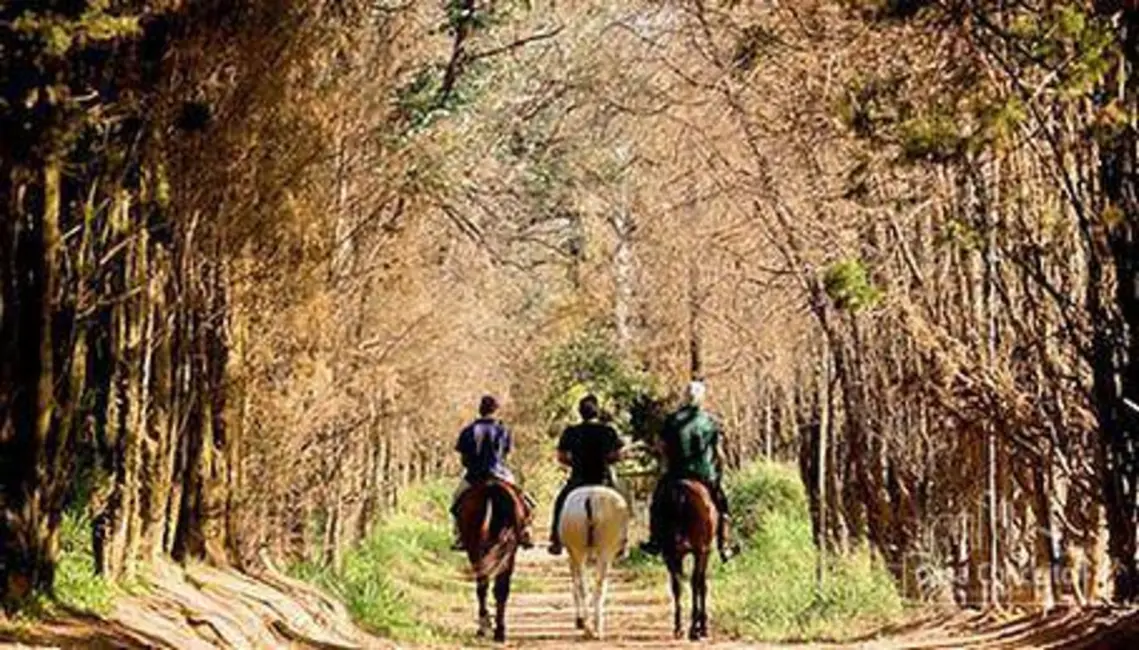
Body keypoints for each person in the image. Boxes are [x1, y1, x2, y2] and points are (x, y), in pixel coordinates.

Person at [640, 381, 739, 562]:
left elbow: (661, 447)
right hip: (703, 474)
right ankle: (725, 545)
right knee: (723, 505)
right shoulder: (710, 422)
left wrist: (665, 462)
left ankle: (654, 541)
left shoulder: (672, 420)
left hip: (676, 474)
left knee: (657, 503)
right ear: (701, 399)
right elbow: (719, 453)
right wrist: (719, 473)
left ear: (685, 397)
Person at [451, 395, 533, 550]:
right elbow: (505, 454)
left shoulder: (468, 431)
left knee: (456, 502)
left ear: (480, 409)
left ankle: (459, 536)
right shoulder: (503, 431)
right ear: (496, 410)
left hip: (474, 476)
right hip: (500, 473)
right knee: (524, 499)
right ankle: (524, 531)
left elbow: (464, 459)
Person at [547, 394, 624, 555]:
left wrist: (574, 463)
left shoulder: (571, 431)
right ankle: (622, 540)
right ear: (598, 412)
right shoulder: (608, 431)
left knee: (560, 502)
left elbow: (561, 457)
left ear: (580, 412)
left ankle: (555, 539)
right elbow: (617, 456)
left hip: (579, 480)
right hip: (603, 480)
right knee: (621, 503)